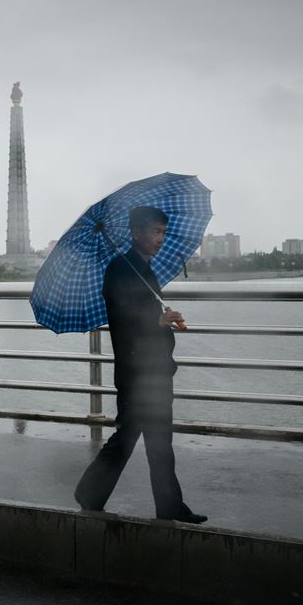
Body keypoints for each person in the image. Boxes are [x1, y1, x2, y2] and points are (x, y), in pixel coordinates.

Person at [73, 205, 207, 524]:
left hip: (155, 370)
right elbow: (120, 317)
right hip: (137, 372)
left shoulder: (142, 269)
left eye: (163, 232)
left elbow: (140, 311)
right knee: (127, 437)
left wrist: (162, 319)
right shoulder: (120, 268)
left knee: (159, 442)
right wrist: (157, 319)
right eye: (155, 232)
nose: (161, 238)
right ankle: (90, 492)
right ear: (136, 232)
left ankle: (169, 505)